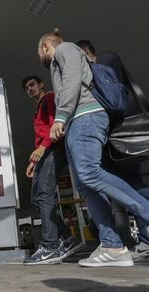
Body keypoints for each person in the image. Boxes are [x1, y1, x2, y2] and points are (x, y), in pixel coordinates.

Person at [38, 29, 149, 267]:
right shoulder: (60, 58)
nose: (41, 55)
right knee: (85, 186)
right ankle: (112, 246)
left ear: (46, 46)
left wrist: (61, 116)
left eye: (40, 51)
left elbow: (72, 77)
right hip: (76, 124)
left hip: (84, 116)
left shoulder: (65, 48)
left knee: (88, 172)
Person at [76, 40, 149, 255]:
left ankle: (142, 238)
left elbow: (113, 99)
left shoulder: (105, 60)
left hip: (122, 135)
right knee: (132, 184)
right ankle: (144, 239)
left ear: (86, 53)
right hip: (123, 136)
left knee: (133, 186)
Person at [21, 76, 82, 265]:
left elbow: (56, 125)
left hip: (54, 150)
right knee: (36, 199)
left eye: (32, 85)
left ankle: (50, 246)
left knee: (45, 194)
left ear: (41, 85)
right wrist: (34, 160)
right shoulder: (38, 108)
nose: (29, 89)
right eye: (26, 87)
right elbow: (41, 134)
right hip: (44, 154)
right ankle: (68, 239)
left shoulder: (49, 98)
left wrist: (42, 148)